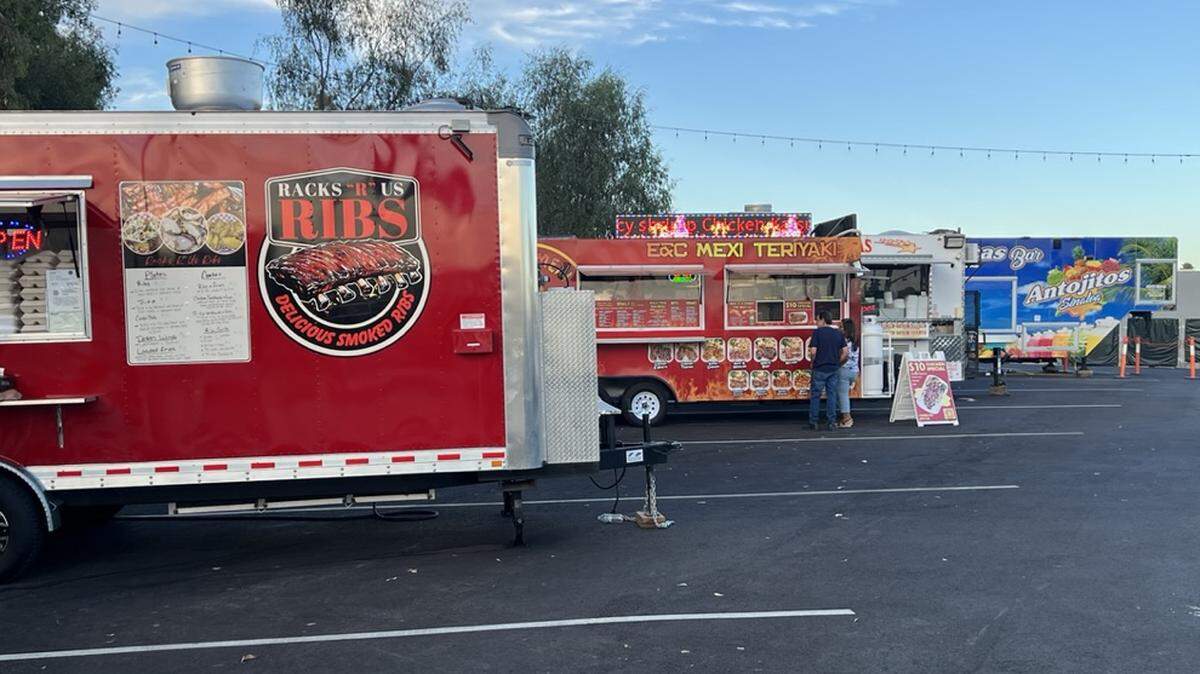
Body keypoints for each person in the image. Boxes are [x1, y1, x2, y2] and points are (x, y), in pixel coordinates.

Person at [808, 311, 847, 431]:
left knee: (815, 396)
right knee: (832, 396)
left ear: (823, 319)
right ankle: (832, 422)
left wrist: (812, 361)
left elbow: (813, 351)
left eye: (817, 320)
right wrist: (837, 362)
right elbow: (845, 352)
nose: (816, 323)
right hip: (833, 369)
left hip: (819, 368)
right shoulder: (838, 333)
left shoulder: (817, 333)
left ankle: (814, 422)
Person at [837, 318, 859, 428]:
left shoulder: (843, 343)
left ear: (846, 330)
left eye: (841, 327)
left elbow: (844, 358)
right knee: (842, 394)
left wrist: (836, 365)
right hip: (854, 372)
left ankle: (847, 419)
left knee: (842, 395)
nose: (838, 329)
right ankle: (844, 417)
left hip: (843, 371)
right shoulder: (854, 342)